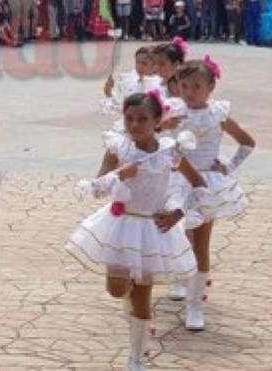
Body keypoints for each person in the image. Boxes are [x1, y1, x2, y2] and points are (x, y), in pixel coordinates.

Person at [67, 92, 204, 371]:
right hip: (120, 227)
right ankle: (130, 304)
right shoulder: (117, 147)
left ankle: (137, 358)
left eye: (143, 119)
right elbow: (96, 188)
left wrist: (179, 212)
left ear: (157, 121)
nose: (135, 125)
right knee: (117, 290)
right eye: (129, 118)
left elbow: (198, 185)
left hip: (152, 230)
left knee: (144, 294)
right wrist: (119, 175)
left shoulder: (170, 151)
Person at [165, 60, 257, 332]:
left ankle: (195, 305)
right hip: (174, 182)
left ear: (210, 87)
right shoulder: (173, 112)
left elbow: (247, 142)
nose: (190, 91)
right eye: (184, 85)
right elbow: (155, 141)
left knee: (201, 244)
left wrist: (228, 166)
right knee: (178, 235)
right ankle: (180, 277)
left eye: (196, 86)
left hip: (206, 183)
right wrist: (163, 126)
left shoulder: (218, 114)